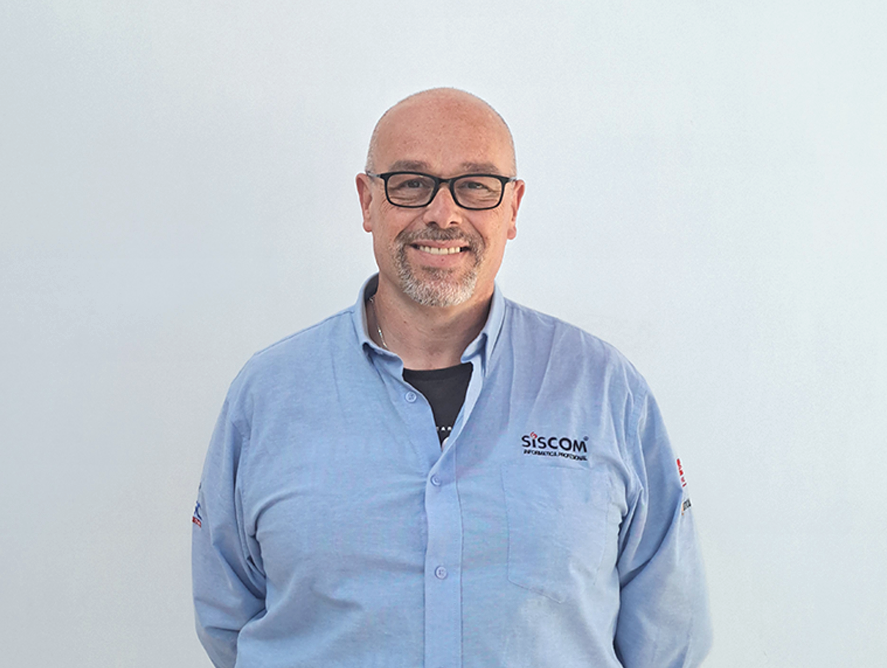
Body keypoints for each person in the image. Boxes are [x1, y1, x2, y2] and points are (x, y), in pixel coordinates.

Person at [191, 88, 712, 668]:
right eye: (411, 183)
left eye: (476, 185)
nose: (443, 215)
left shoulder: (606, 392)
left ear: (513, 208)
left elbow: (668, 639)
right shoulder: (267, 395)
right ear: (367, 202)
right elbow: (227, 619)